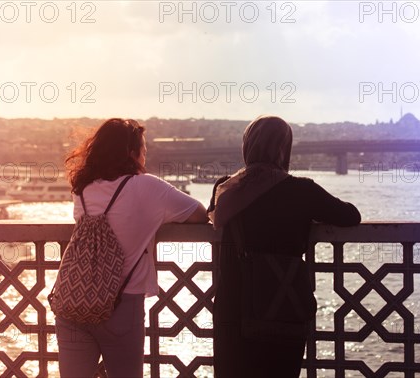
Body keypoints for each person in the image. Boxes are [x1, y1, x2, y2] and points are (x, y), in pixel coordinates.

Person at [208, 115, 361, 377]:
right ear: (283, 149)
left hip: (232, 309)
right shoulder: (301, 191)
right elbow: (350, 216)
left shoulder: (225, 189)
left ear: (247, 147)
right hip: (279, 306)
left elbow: (212, 215)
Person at [56, 118, 208, 377]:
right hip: (121, 305)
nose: (145, 155)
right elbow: (199, 213)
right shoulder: (147, 186)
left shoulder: (82, 189)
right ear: (131, 153)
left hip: (72, 301)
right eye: (143, 149)